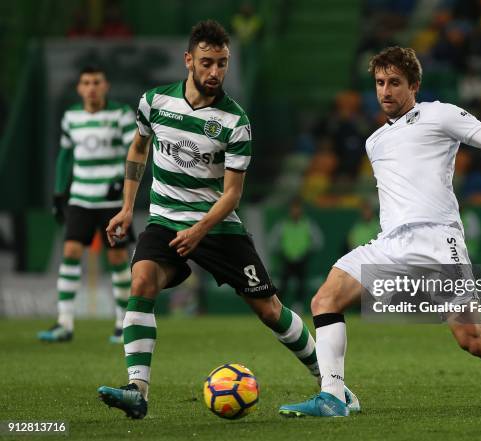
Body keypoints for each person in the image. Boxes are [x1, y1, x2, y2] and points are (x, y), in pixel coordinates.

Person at [280, 46, 481, 417]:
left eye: (395, 82)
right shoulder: (373, 141)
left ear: (414, 85)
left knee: (473, 340)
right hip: (391, 244)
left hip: (440, 243)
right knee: (324, 300)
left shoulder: (439, 115)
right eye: (379, 83)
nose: (385, 91)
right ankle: (333, 395)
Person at [96, 20, 358, 419]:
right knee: (142, 282)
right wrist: (128, 207)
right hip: (165, 220)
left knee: (270, 310)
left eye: (222, 63)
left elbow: (233, 193)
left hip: (217, 226)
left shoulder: (235, 122)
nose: (215, 72)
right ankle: (137, 390)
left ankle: (332, 385)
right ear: (188, 61)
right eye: (206, 62)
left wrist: (199, 229)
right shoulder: (154, 102)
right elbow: (138, 149)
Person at [38, 66, 136, 344]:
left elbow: (136, 152)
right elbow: (65, 157)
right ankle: (64, 323)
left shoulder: (121, 114)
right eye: (86, 82)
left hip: (113, 201)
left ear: (106, 86)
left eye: (96, 82)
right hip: (81, 198)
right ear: (79, 88)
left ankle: (122, 324)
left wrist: (123, 182)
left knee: (117, 258)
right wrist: (59, 193)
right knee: (69, 252)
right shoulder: (71, 117)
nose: (91, 87)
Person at [270, 198, 322, 312]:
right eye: (293, 209)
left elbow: (317, 241)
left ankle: (298, 307)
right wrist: (282, 251)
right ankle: (277, 308)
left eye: (297, 208)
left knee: (301, 285)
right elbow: (274, 241)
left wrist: (307, 251)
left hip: (302, 259)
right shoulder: (283, 224)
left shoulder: (307, 224)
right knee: (283, 285)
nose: (295, 211)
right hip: (287, 259)